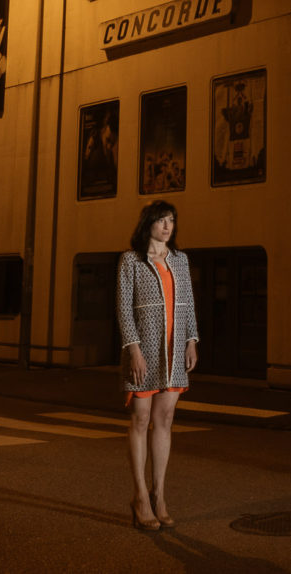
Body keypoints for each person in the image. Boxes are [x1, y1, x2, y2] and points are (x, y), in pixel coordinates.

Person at [117, 200, 199, 531]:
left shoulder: (180, 260)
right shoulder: (131, 261)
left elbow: (189, 303)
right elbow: (123, 309)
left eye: (171, 221)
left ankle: (159, 495)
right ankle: (139, 496)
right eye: (161, 220)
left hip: (175, 350)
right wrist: (133, 349)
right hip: (144, 350)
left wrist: (192, 340)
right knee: (141, 419)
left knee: (165, 419)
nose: (167, 226)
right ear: (148, 223)